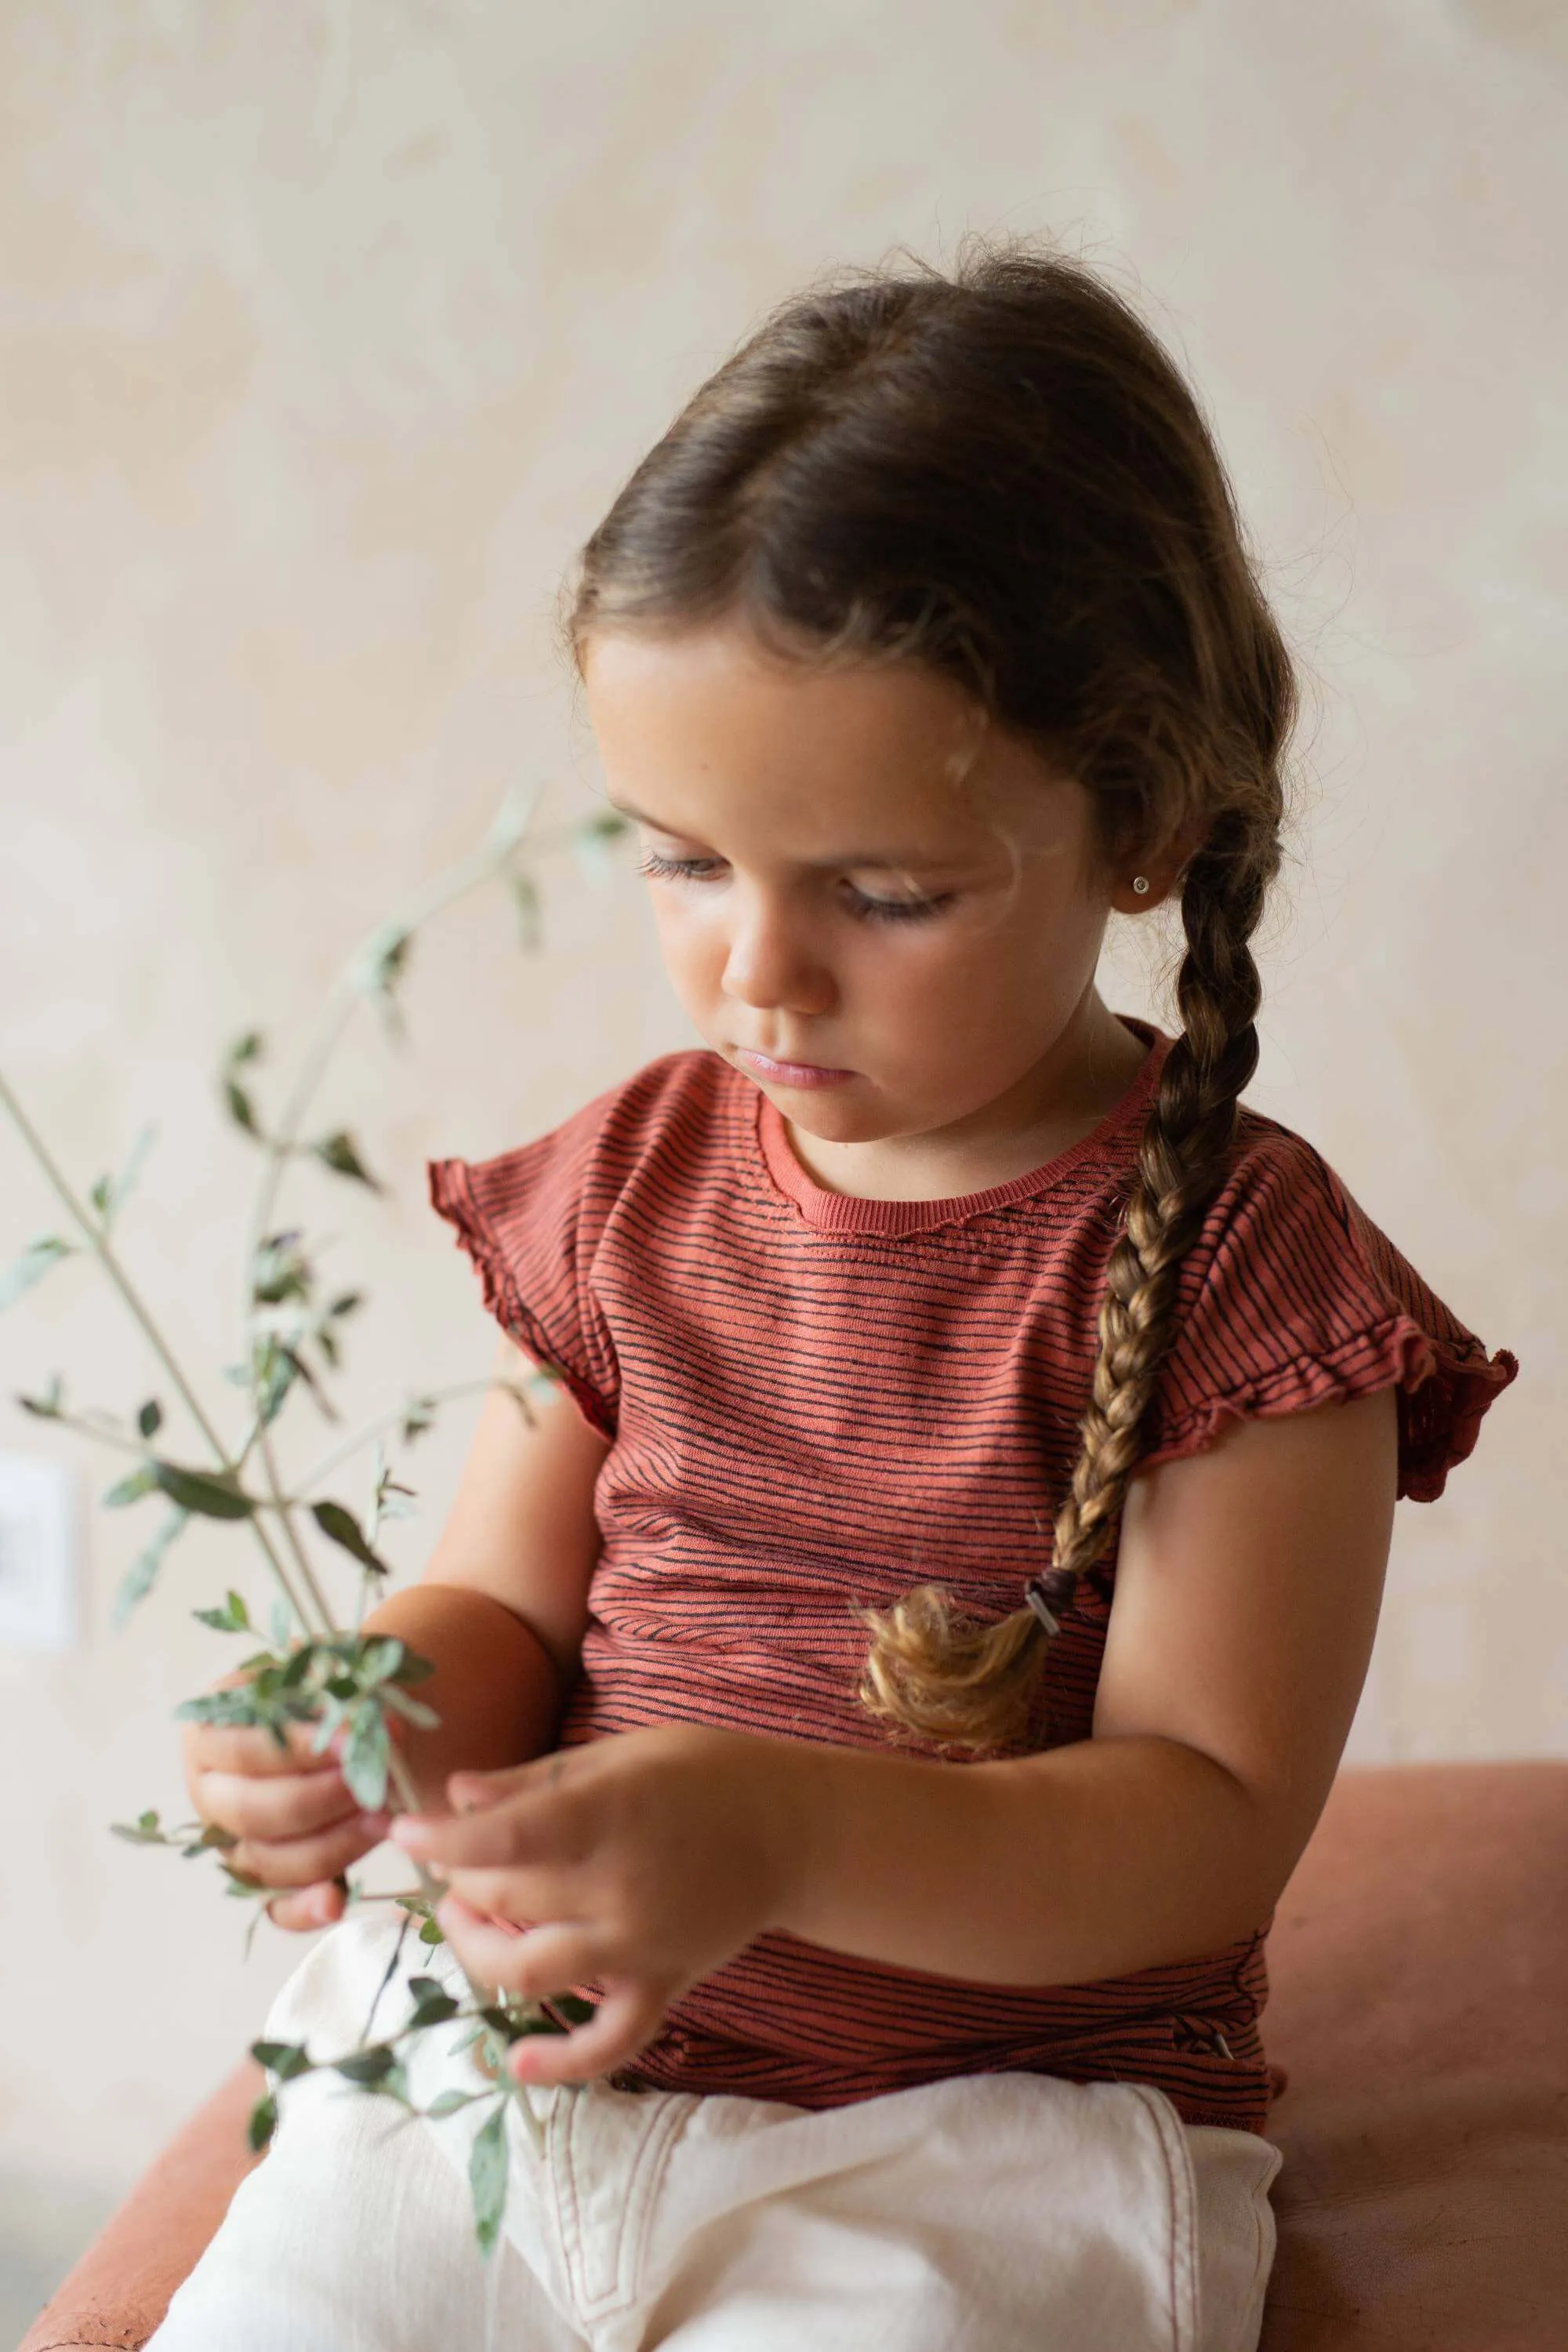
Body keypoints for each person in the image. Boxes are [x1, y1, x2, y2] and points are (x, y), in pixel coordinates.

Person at [159, 247, 1514, 2352]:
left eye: (883, 893)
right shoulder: (631, 1179)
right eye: (682, 859)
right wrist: (369, 1718)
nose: (758, 971)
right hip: (521, 2066)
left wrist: (776, 1832)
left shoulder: (1247, 1268)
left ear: (1141, 823)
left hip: (975, 2146)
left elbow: (1205, 1829)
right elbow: (505, 1615)